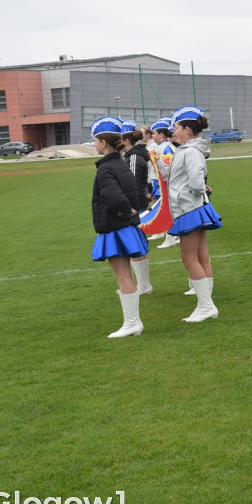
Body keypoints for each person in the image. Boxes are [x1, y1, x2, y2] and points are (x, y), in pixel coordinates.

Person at [89, 116, 148, 338]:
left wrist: (126, 209)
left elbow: (114, 197)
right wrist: (130, 209)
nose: (94, 145)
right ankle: (132, 322)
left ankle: (132, 323)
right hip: (124, 226)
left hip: (115, 227)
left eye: (96, 141)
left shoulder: (105, 168)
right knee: (126, 276)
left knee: (123, 276)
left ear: (104, 143)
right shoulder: (121, 162)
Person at [167, 105, 222, 323]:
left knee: (189, 258)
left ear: (187, 130)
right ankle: (205, 303)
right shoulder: (189, 150)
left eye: (177, 128)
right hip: (193, 207)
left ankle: (206, 306)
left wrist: (199, 189)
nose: (174, 132)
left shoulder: (190, 151)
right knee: (200, 256)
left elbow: (196, 180)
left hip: (189, 208)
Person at [120, 120, 154, 296]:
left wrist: (129, 206)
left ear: (126, 140)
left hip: (136, 207)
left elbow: (132, 184)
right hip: (138, 204)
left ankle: (143, 285)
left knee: (135, 247)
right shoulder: (133, 155)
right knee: (138, 246)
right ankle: (144, 284)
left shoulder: (133, 157)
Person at [149, 118, 178, 248]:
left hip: (165, 182)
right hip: (160, 181)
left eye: (154, 133)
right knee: (163, 208)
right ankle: (164, 233)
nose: (152, 136)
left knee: (168, 209)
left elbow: (169, 167)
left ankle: (171, 236)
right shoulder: (162, 146)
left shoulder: (166, 147)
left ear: (161, 134)